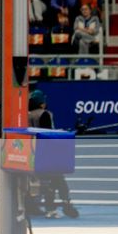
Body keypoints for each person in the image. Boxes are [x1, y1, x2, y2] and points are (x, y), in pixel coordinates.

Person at [26, 88, 77, 218]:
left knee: (44, 180)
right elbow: (47, 133)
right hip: (47, 152)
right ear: (41, 103)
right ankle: (58, 206)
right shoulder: (45, 114)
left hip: (32, 151)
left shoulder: (28, 115)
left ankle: (36, 206)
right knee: (57, 179)